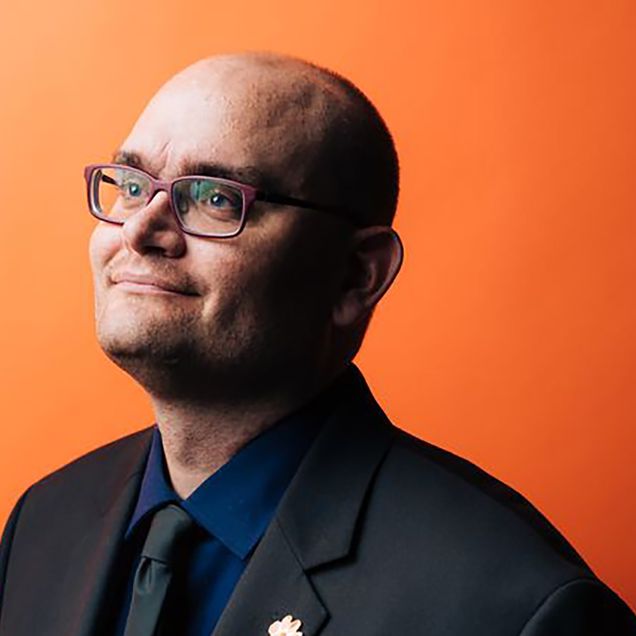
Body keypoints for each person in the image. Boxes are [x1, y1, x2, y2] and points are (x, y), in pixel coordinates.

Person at [0, 52, 634, 636]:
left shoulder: (517, 608)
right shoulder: (42, 522)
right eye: (133, 185)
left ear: (357, 274)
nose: (140, 230)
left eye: (216, 199)